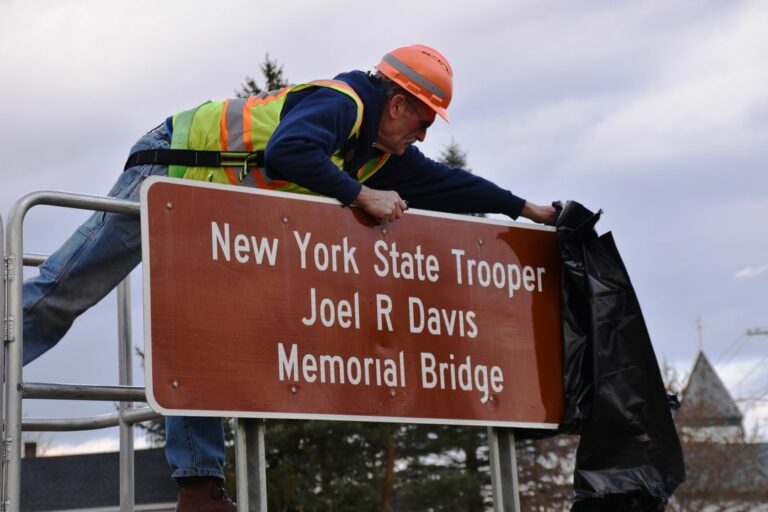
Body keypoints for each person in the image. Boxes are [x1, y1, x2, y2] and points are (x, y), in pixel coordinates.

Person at [22, 45, 556, 511]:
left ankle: (198, 488)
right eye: (424, 121)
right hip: (170, 169)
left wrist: (525, 209)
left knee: (198, 337)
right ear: (397, 103)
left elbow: (451, 185)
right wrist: (359, 196)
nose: (423, 134)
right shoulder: (342, 103)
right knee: (68, 288)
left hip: (210, 208)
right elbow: (287, 151)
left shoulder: (379, 153)